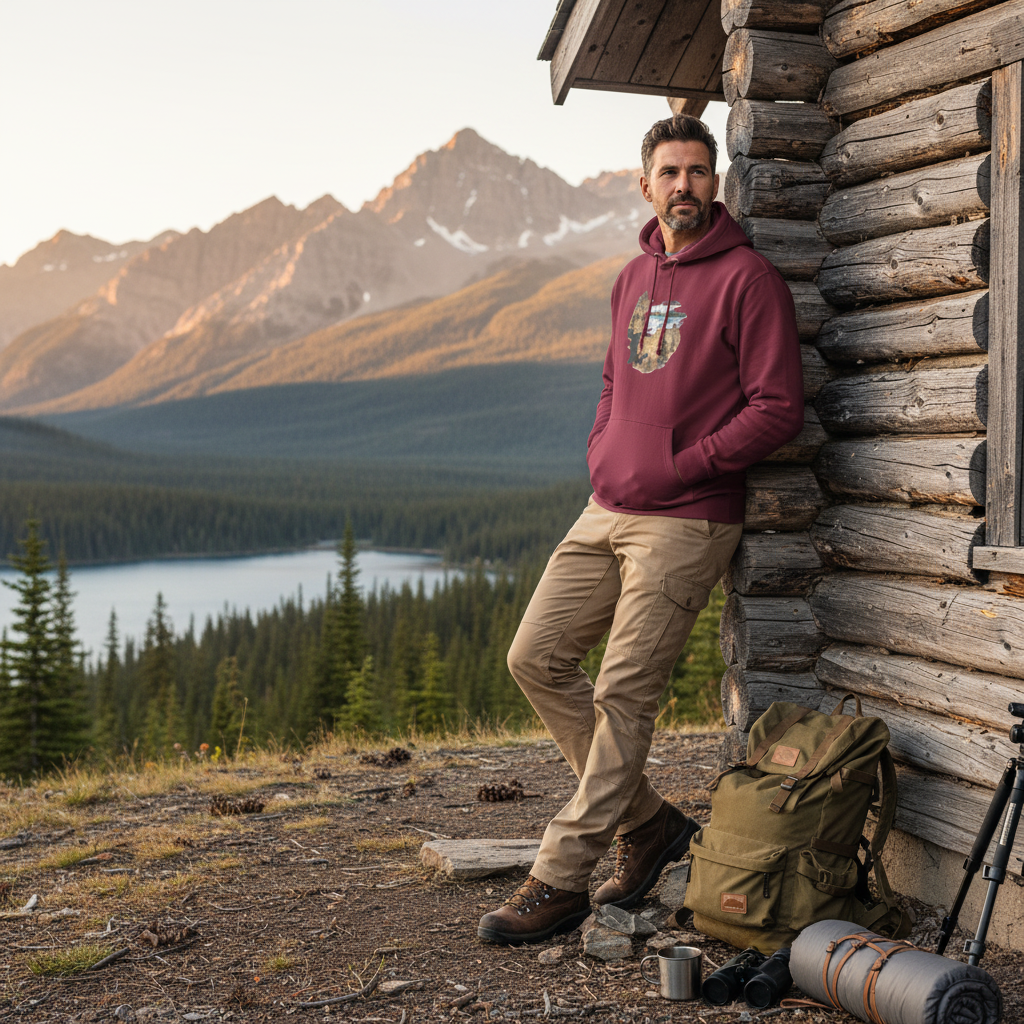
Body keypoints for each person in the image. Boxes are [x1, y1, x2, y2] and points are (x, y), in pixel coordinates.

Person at [477, 114, 805, 945]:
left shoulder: (749, 280)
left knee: (624, 696)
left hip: (687, 519)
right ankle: (651, 823)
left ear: (714, 182)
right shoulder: (631, 277)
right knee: (535, 657)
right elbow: (612, 383)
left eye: (697, 171)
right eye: (669, 172)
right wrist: (604, 448)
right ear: (645, 184)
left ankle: (559, 877)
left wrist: (686, 463)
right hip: (608, 506)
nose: (683, 185)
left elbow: (777, 408)